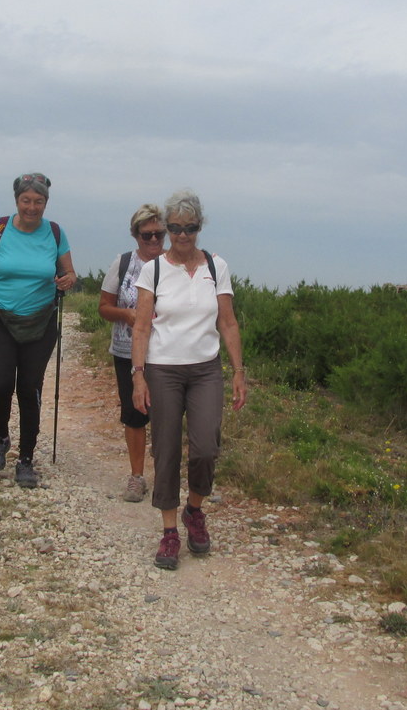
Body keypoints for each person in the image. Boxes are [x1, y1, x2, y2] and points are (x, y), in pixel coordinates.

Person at [131, 189, 247, 569]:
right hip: (164, 369)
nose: (182, 235)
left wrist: (238, 373)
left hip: (205, 369)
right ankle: (169, 532)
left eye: (190, 228)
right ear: (168, 228)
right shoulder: (155, 270)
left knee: (205, 447)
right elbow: (142, 328)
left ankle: (194, 511)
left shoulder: (217, 266)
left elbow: (227, 322)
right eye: (176, 228)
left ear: (200, 227)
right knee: (165, 449)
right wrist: (139, 376)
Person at [0, 173, 77, 488]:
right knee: (0, 384)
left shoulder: (55, 233)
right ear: (17, 201)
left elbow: (69, 272)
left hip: (40, 320)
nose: (31, 207)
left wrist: (67, 280)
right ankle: (1, 436)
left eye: (38, 201)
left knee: (30, 389)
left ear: (46, 202)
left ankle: (26, 459)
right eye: (26, 200)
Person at [98, 204, 166, 502]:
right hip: (127, 352)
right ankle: (137, 477)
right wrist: (127, 315)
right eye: (146, 235)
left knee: (167, 416)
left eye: (159, 234)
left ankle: (164, 477)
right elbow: (103, 307)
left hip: (166, 353)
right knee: (135, 415)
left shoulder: (175, 264)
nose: (153, 241)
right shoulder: (123, 263)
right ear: (135, 234)